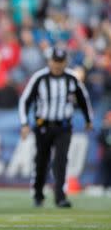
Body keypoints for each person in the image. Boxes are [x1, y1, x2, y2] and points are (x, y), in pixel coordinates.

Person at [19, 47, 93, 208]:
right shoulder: (39, 78)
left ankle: (60, 197)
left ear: (65, 62)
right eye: (55, 61)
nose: (57, 65)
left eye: (60, 62)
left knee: (61, 160)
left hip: (63, 126)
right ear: (49, 61)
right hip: (43, 126)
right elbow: (25, 100)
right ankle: (38, 194)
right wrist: (24, 123)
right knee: (41, 161)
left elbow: (83, 99)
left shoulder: (72, 78)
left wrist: (88, 120)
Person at [98, 111, 111, 193]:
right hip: (107, 153)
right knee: (105, 171)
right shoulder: (105, 130)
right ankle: (105, 186)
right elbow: (100, 139)